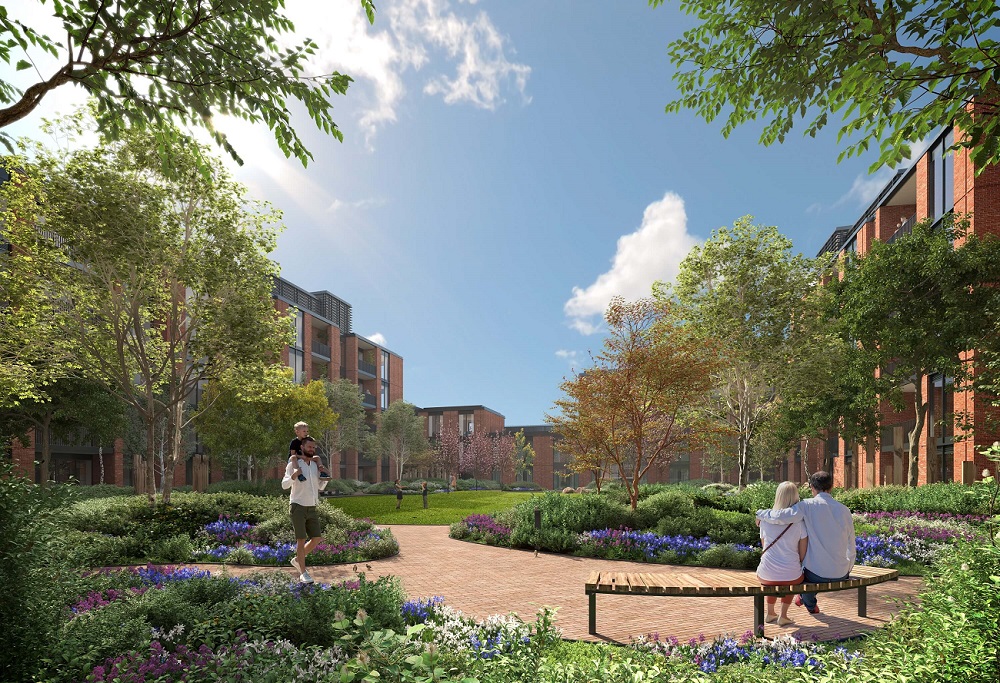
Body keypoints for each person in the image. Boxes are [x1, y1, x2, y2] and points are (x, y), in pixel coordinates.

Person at [756, 471, 856, 615]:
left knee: (805, 575)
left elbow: (781, 516)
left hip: (815, 574)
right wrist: (848, 568)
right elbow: (850, 543)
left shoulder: (807, 505)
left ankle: (808, 603)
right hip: (841, 573)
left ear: (811, 487)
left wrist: (760, 514)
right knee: (805, 573)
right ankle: (803, 600)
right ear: (831, 487)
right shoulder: (844, 510)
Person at [756, 481, 808, 626]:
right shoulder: (799, 523)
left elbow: (764, 545)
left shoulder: (764, 521)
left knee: (773, 577)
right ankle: (783, 616)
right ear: (795, 497)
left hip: (766, 573)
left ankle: (770, 613)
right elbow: (802, 553)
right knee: (790, 578)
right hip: (791, 574)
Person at [282, 436, 329, 583]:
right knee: (301, 540)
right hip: (298, 506)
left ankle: (297, 559)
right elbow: (284, 485)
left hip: (312, 506)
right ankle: (303, 573)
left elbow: (319, 487)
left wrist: (326, 478)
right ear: (302, 447)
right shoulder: (294, 464)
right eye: (309, 447)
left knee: (316, 539)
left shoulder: (315, 466)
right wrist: (293, 476)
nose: (312, 449)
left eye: (313, 447)